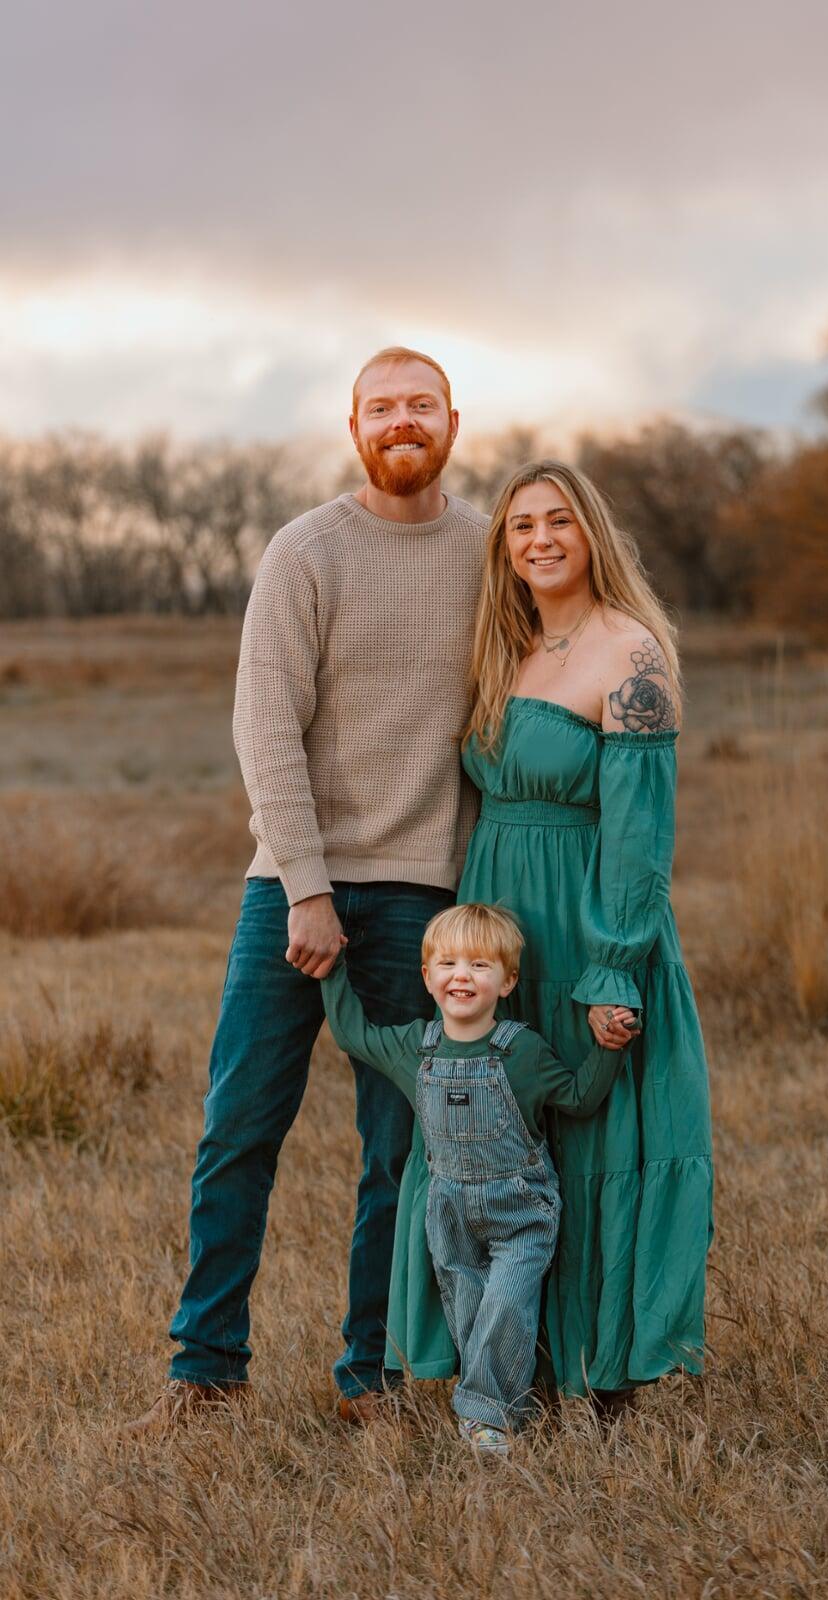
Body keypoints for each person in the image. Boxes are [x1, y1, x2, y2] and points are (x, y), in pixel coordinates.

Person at [125, 348, 489, 1436]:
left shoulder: (488, 549)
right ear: (353, 426)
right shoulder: (307, 550)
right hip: (291, 891)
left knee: (400, 1150)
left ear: (454, 422)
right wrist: (304, 886)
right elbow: (263, 727)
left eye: (419, 405)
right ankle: (205, 1373)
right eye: (382, 408)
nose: (402, 422)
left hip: (424, 894)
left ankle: (368, 1378)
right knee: (239, 1125)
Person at [385, 461, 714, 1417]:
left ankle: (601, 1369)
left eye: (558, 521)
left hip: (583, 912)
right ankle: (499, 1366)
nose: (538, 538)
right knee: (489, 1124)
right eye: (520, 524)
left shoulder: (631, 655)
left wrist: (615, 965)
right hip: (496, 914)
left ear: (591, 533)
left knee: (589, 1125)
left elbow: (641, 838)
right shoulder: (505, 643)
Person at [319, 902, 634, 1455]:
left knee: (508, 1304)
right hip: (450, 1214)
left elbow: (580, 1100)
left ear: (508, 980)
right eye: (448, 963)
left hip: (522, 1210)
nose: (461, 975)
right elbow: (351, 1033)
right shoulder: (413, 1047)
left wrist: (607, 1050)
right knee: (471, 1318)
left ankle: (482, 1419)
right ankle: (509, 1408)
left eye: (480, 966)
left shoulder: (523, 1050)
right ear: (427, 975)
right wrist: (331, 970)